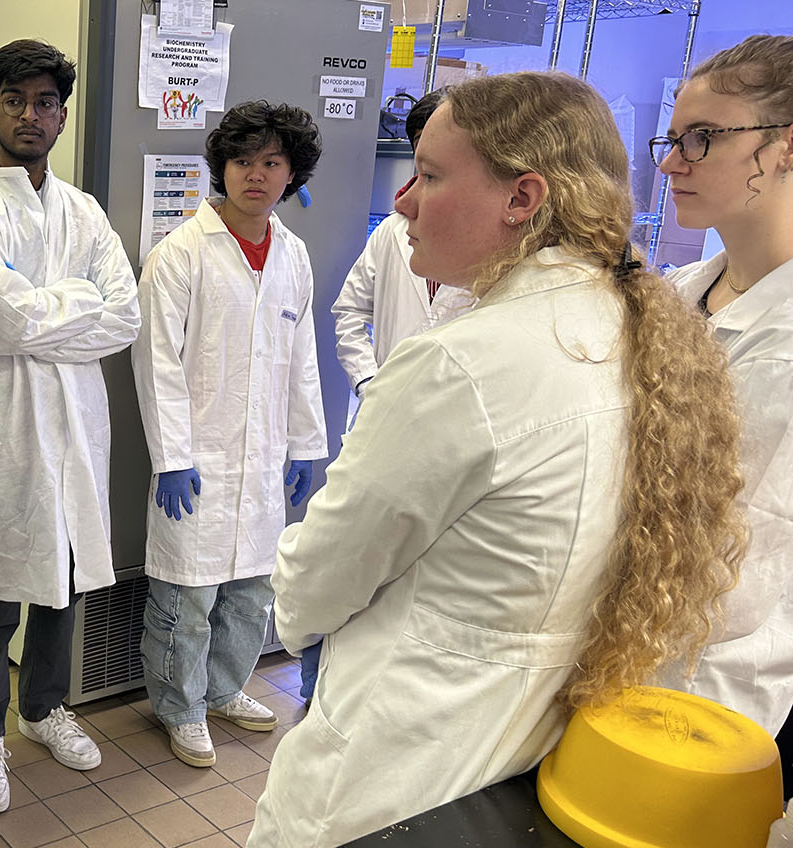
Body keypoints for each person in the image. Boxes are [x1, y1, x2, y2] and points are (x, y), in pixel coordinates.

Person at [247, 72, 746, 847]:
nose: (405, 199)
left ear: (522, 199)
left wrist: (300, 607)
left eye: (433, 175)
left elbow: (314, 583)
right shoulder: (642, 336)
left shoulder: (463, 364)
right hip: (524, 759)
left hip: (394, 770)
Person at [0, 39, 140, 814]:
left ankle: (45, 706)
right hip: (5, 427)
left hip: (78, 425)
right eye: (14, 100)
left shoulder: (82, 210)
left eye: (45, 101)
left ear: (61, 114)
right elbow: (7, 323)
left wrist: (45, 307)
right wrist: (69, 303)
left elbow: (126, 314)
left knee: (66, 578)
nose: (30, 114)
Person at [131, 100, 325, 768]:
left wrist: (306, 444)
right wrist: (174, 458)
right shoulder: (179, 254)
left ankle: (223, 690)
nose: (256, 175)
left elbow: (303, 357)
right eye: (243, 160)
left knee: (250, 593)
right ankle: (179, 708)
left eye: (272, 162)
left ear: (291, 172)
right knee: (188, 597)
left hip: (266, 455)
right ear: (222, 167)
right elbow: (155, 363)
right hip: (200, 459)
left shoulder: (293, 256)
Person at [651, 34, 793, 738]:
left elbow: (756, 540)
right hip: (624, 652)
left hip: (722, 686)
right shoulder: (676, 296)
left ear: (786, 147)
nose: (671, 163)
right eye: (673, 139)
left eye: (702, 138)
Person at [331, 89, 471, 400]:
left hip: (457, 414)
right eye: (421, 139)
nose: (428, 150)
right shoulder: (392, 229)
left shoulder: (486, 238)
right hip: (386, 403)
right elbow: (350, 309)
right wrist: (367, 380)